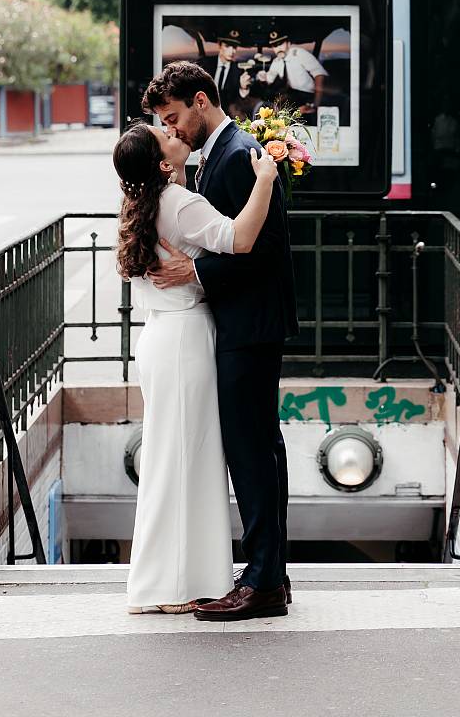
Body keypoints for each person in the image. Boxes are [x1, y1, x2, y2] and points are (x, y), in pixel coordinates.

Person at [143, 60, 298, 623]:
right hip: (247, 323)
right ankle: (269, 573)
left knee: (251, 453)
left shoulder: (234, 157)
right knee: (260, 449)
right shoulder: (227, 154)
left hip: (248, 325)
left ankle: (261, 582)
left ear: (202, 101)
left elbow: (259, 249)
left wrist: (197, 274)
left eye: (174, 116)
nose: (174, 128)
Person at [113, 119, 278, 614]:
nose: (173, 132)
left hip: (161, 337)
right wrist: (266, 179)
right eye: (163, 136)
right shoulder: (179, 204)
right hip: (186, 339)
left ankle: (166, 581)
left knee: (171, 460)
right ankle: (181, 586)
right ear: (163, 164)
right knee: (191, 461)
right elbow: (242, 238)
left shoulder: (143, 203)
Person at [255, 30, 328, 117]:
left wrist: (316, 104)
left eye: (280, 44)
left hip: (310, 96)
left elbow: (319, 74)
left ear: (288, 43)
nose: (278, 49)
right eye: (274, 46)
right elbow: (269, 80)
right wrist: (263, 78)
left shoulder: (299, 53)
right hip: (292, 95)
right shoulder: (277, 61)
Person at [200, 28, 244, 113]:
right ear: (219, 46)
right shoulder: (204, 64)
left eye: (234, 47)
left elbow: (239, 98)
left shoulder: (239, 70)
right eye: (227, 46)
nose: (232, 51)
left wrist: (243, 88)